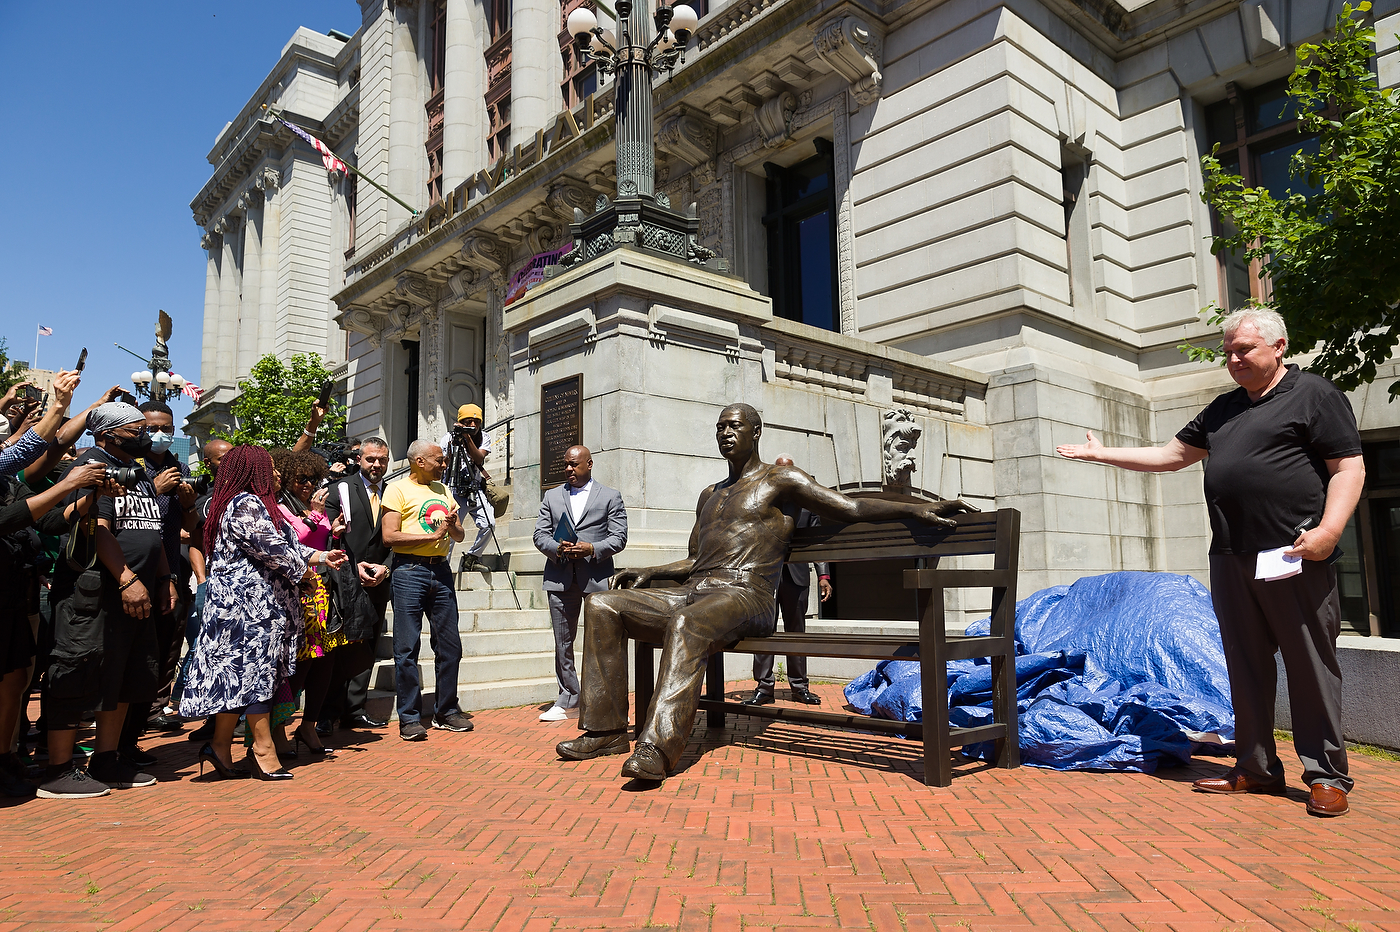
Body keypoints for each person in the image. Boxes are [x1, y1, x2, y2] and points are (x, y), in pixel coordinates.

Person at [557, 403, 975, 782]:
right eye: (719, 427)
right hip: (696, 590)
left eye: (734, 426)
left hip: (747, 595)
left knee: (688, 622)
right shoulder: (711, 494)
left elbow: (849, 507)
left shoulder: (781, 479)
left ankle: (657, 748)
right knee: (602, 604)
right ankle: (606, 731)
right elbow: (693, 560)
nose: (725, 433)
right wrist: (650, 572)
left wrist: (913, 508)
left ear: (756, 432)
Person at [1056, 307, 1365, 818]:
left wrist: (1329, 532)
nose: (1234, 359)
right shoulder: (1222, 410)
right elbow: (1171, 455)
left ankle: (1327, 775)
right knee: (1244, 668)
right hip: (1230, 556)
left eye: (1244, 349)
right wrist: (1102, 454)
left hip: (1293, 553)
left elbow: (1347, 467)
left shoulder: (1316, 395)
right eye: (1228, 352)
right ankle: (1257, 768)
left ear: (1279, 346)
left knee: (1311, 666)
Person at [180, 446, 346, 781]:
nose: (277, 473)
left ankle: (220, 747)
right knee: (257, 678)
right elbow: (273, 551)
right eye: (270, 468)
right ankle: (262, 750)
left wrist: (321, 558)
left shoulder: (241, 503)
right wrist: (304, 574)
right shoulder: (246, 503)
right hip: (249, 609)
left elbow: (285, 545)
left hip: (242, 606)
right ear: (253, 471)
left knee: (237, 678)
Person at [40, 402, 178, 799]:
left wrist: (164, 579)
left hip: (137, 593)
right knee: (79, 671)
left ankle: (106, 758)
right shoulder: (91, 468)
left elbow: (150, 530)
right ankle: (58, 769)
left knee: (122, 677)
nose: (144, 436)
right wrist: (125, 578)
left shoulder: (136, 473)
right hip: (95, 593)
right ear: (107, 434)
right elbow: (98, 528)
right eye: (135, 430)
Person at [381, 439, 474, 740]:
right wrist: (430, 535)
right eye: (439, 460)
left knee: (450, 646)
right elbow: (389, 536)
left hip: (441, 571)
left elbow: (458, 535)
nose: (444, 464)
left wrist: (453, 527)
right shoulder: (396, 489)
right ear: (419, 461)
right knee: (406, 648)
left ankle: (447, 711)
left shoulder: (443, 490)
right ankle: (409, 717)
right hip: (408, 571)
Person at [122, 401, 197, 756]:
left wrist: (186, 502)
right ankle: (117, 740)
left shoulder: (178, 466)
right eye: (152, 427)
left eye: (166, 427)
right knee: (130, 654)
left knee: (162, 649)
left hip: (168, 571)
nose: (159, 434)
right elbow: (120, 509)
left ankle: (145, 720)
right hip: (131, 572)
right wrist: (154, 487)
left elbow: (190, 526)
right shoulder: (127, 463)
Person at [532, 445, 628, 722]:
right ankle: (568, 698)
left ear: (589, 464)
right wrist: (557, 549)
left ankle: (599, 697)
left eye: (574, 464)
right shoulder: (552, 496)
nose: (569, 469)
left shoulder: (610, 496)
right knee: (563, 642)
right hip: (560, 579)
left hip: (595, 579)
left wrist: (592, 548)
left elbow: (619, 537)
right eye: (566, 465)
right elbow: (540, 534)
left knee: (600, 642)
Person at [743, 455, 832, 707]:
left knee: (797, 632)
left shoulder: (808, 504)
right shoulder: (761, 499)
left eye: (788, 471)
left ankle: (799, 686)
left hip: (797, 575)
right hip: (764, 576)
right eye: (779, 471)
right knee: (763, 631)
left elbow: (818, 542)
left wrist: (823, 575)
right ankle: (764, 686)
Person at [275, 450, 347, 757]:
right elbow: (297, 537)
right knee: (301, 662)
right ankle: (278, 726)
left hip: (322, 587)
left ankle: (309, 724)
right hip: (298, 589)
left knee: (325, 660)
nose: (308, 485)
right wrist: (318, 516)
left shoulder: (307, 507)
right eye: (301, 479)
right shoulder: (279, 507)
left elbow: (320, 542)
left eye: (312, 479)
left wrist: (335, 531)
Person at [322, 438, 393, 732]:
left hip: (377, 581)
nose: (376, 465)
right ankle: (326, 713)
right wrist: (349, 557)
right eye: (370, 459)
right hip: (345, 582)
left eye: (382, 460)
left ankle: (354, 708)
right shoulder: (340, 490)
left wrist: (385, 568)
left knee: (367, 650)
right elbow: (327, 535)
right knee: (338, 650)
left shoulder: (393, 493)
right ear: (359, 459)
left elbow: (395, 537)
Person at [440, 405, 494, 569]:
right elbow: (442, 464)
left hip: (474, 488)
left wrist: (467, 438)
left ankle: (472, 557)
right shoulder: (448, 438)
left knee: (489, 524)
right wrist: (453, 445)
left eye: (476, 421)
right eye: (468, 421)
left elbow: (478, 458)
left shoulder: (484, 437)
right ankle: (444, 568)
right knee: (450, 532)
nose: (472, 424)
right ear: (460, 421)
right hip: (453, 490)